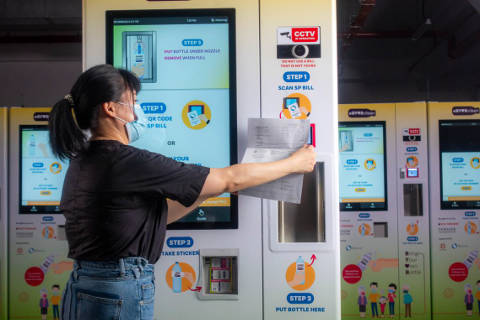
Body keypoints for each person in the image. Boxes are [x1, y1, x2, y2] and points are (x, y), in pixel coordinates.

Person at [48, 64, 316, 320]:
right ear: (111, 109)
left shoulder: (84, 160)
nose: (137, 110)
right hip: (119, 289)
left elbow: (150, 220)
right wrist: (294, 163)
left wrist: (206, 191)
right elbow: (231, 179)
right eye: (132, 101)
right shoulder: (126, 161)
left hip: (85, 286)